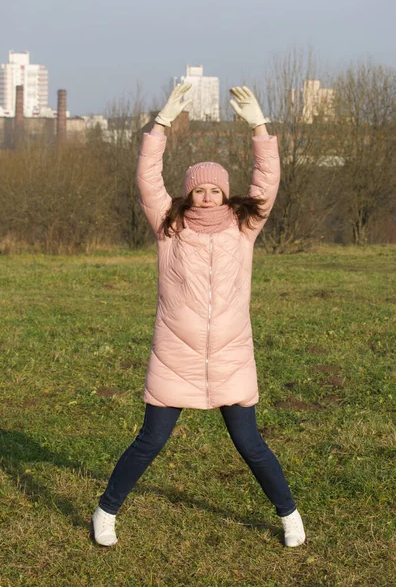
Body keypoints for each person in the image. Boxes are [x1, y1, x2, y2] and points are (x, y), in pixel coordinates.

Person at [91, 84, 306, 548]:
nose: (207, 197)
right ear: (188, 195)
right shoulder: (169, 226)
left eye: (214, 190)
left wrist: (259, 127)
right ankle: (106, 511)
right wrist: (161, 123)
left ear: (225, 194)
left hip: (231, 355)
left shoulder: (244, 226)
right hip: (175, 355)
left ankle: (289, 515)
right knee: (149, 442)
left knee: (251, 445)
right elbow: (148, 177)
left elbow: (267, 180)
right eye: (199, 190)